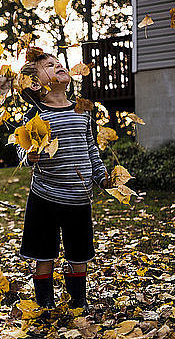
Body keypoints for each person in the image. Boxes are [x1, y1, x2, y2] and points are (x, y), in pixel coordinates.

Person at [15, 52, 110, 311]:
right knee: (43, 254)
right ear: (35, 84)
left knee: (78, 254)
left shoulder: (81, 110)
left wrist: (101, 176)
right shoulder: (34, 115)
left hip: (79, 197)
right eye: (49, 65)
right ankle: (44, 302)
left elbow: (90, 148)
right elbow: (21, 148)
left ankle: (79, 301)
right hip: (44, 197)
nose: (59, 65)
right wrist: (29, 155)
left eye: (59, 62)